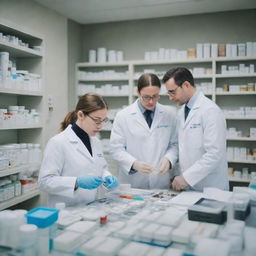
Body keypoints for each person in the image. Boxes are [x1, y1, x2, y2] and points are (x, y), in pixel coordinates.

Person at [38, 93, 118, 207]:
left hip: (90, 208)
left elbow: (101, 168)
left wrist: (107, 176)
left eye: (104, 120)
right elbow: (44, 182)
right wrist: (76, 182)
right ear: (81, 115)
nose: (100, 126)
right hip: (65, 212)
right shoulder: (58, 142)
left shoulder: (95, 142)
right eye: (97, 120)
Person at [162, 67, 229, 191]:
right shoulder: (182, 112)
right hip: (189, 186)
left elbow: (214, 154)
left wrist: (187, 177)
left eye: (172, 92)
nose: (170, 97)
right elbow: (182, 147)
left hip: (210, 187)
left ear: (186, 85)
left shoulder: (210, 111)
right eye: (169, 93)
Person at [109, 73, 178, 189]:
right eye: (146, 97)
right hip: (133, 183)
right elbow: (115, 149)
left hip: (160, 182)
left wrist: (169, 159)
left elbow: (175, 144)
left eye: (155, 96)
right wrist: (133, 163)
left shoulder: (169, 114)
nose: (151, 101)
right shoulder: (123, 116)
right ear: (138, 92)